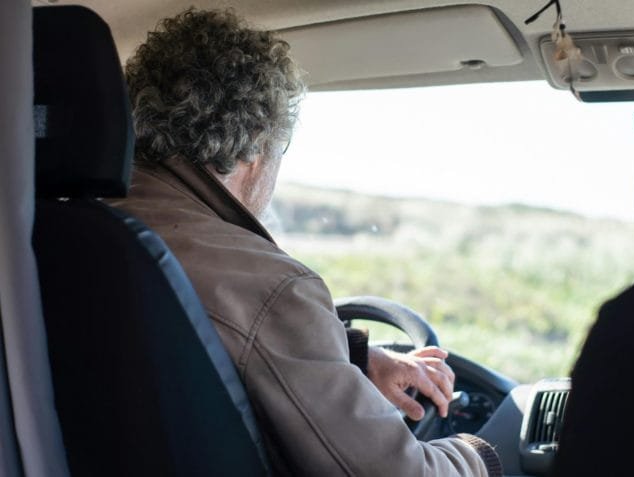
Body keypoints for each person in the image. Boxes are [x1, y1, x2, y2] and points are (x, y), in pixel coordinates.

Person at [111, 8, 502, 477]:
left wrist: (354, 358)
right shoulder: (272, 288)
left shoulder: (77, 226)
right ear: (257, 145)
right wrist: (479, 453)